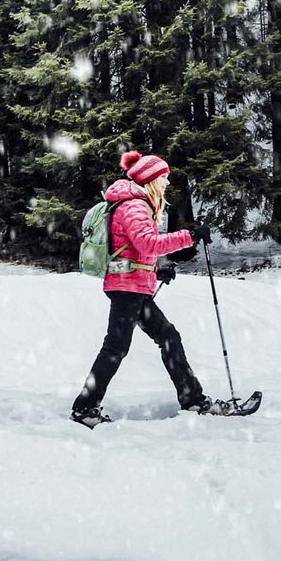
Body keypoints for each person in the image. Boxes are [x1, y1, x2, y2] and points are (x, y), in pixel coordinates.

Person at [70, 151, 210, 428]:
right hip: (127, 288)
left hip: (132, 284)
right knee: (116, 347)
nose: (167, 183)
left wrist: (155, 271)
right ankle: (84, 407)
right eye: (164, 178)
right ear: (151, 179)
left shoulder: (133, 202)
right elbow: (147, 243)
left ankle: (192, 397)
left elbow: (134, 250)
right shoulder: (134, 204)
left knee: (167, 336)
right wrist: (190, 236)